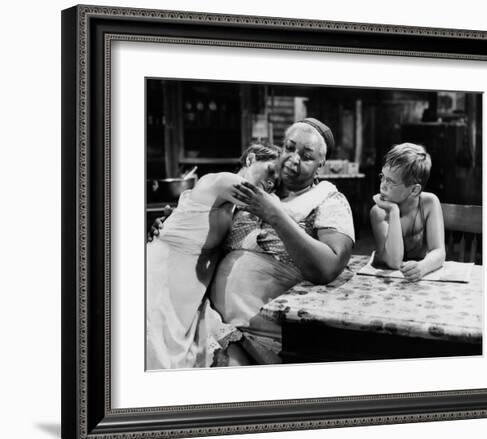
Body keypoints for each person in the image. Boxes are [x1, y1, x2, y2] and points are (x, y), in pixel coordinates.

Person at [150, 118, 355, 365]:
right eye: (289, 148)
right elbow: (203, 233)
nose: (293, 159)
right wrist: (171, 226)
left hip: (268, 334)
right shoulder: (255, 194)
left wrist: (276, 216)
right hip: (208, 321)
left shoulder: (329, 200)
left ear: (321, 163)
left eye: (307, 155)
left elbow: (328, 267)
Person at [146, 143, 281, 370]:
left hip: (188, 295)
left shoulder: (235, 211)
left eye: (276, 181)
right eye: (270, 171)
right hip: (160, 281)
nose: (271, 182)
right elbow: (264, 202)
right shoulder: (220, 181)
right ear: (251, 159)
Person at [369, 142, 445, 282]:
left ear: (414, 190)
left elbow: (439, 251)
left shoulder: (429, 203)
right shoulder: (379, 212)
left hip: (416, 282)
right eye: (383, 177)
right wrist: (393, 211)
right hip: (385, 284)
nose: (383, 185)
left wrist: (422, 267)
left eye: (391, 181)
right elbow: (394, 262)